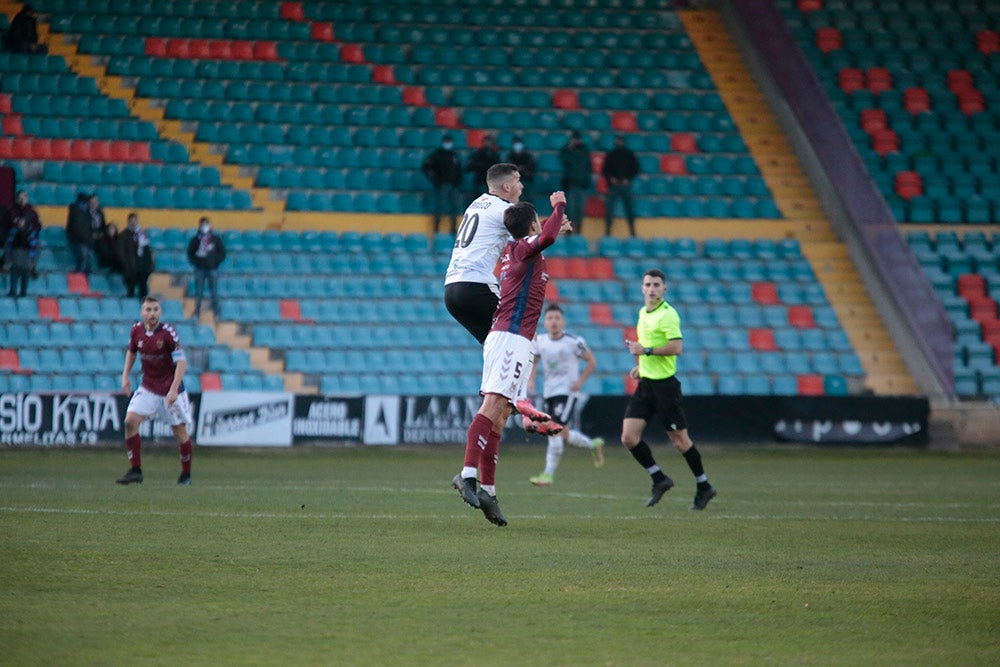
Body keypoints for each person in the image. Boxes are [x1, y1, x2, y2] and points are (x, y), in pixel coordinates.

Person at [452, 193, 572, 526]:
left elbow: (546, 236)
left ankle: (488, 491)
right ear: (532, 225)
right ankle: (466, 474)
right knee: (492, 407)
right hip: (510, 339)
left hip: (510, 338)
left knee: (501, 415)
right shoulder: (522, 248)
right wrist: (559, 205)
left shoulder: (514, 251)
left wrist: (554, 226)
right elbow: (545, 237)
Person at [443, 163, 560, 434]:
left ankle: (503, 402)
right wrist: (556, 222)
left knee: (496, 347)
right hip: (476, 285)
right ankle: (523, 402)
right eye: (518, 181)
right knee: (522, 337)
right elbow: (534, 238)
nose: (522, 186)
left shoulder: (477, 204)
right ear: (506, 186)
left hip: (452, 290)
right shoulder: (503, 210)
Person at [621, 269, 717, 510]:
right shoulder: (643, 312)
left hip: (665, 387)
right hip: (646, 384)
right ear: (642, 288)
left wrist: (646, 352)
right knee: (628, 437)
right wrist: (641, 367)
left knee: (680, 442)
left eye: (656, 285)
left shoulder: (668, 314)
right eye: (648, 284)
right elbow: (647, 346)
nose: (652, 288)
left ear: (664, 289)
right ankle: (659, 479)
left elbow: (676, 347)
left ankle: (704, 485)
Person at [116, 296, 195, 486]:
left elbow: (182, 363)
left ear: (160, 312)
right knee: (130, 422)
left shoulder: (168, 333)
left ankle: (186, 475)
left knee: (179, 432)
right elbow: (132, 351)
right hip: (149, 387)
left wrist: (174, 390)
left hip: (169, 388)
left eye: (156, 310)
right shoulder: (136, 330)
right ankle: (136, 470)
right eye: (148, 310)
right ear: (142, 313)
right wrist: (125, 376)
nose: (152, 314)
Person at [526, 303, 606, 486]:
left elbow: (591, 361)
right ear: (545, 322)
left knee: (553, 429)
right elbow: (535, 360)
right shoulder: (541, 341)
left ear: (563, 321)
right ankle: (593, 445)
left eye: (557, 318)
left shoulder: (574, 342)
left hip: (566, 392)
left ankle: (548, 474)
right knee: (564, 434)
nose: (553, 321)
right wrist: (531, 379)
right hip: (549, 392)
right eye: (550, 318)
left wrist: (580, 382)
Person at [421, 134, 463, 233]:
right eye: (446, 142)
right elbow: (426, 166)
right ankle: (436, 227)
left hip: (454, 185)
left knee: (455, 206)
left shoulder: (454, 155)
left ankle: (453, 227)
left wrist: (458, 180)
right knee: (440, 206)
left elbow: (459, 169)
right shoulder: (437, 155)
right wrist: (435, 179)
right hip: (442, 184)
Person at [186, 216, 226, 319]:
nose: (204, 226)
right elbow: (190, 254)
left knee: (214, 292)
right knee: (198, 292)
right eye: (202, 224)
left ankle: (216, 313)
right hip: (199, 269)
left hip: (213, 269)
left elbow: (222, 253)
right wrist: (197, 262)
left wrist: (215, 262)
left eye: (206, 224)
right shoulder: (195, 240)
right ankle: (197, 312)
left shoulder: (215, 239)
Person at [602, 134, 641, 236]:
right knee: (609, 209)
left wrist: (628, 178)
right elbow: (605, 170)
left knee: (630, 209)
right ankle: (608, 231)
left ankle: (632, 231)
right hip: (613, 186)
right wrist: (611, 179)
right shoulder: (611, 155)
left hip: (626, 185)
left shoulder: (629, 154)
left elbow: (636, 168)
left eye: (620, 141)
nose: (619, 143)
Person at [559, 130, 592, 234]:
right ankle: (569, 231)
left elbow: (588, 167)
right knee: (570, 210)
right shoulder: (566, 150)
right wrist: (569, 148)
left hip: (581, 185)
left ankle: (578, 231)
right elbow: (562, 159)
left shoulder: (585, 150)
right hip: (570, 185)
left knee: (580, 210)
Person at [116, 212, 154, 299]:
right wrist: (126, 265)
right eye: (131, 221)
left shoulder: (142, 235)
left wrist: (149, 265)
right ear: (128, 222)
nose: (133, 223)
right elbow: (121, 252)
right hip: (131, 267)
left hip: (143, 266)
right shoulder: (124, 235)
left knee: (143, 289)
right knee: (131, 290)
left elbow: (147, 251)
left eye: (135, 221)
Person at [3, 190, 41, 273]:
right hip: (15, 236)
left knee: (35, 242)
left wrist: (31, 231)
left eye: (24, 197)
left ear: (27, 198)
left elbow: (37, 226)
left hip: (28, 236)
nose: (22, 200)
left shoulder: (32, 212)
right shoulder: (11, 211)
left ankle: (32, 266)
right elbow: (6, 225)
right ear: (17, 199)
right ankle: (7, 264)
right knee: (9, 242)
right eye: (20, 198)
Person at [4, 214, 38, 297]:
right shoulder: (13, 232)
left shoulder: (32, 234)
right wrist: (8, 259)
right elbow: (8, 247)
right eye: (20, 222)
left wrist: (32, 263)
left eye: (22, 222)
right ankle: (12, 292)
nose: (20, 223)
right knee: (13, 279)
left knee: (25, 281)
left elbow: (35, 250)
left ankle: (23, 293)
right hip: (15, 261)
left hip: (27, 263)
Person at [464, 133, 500, 201]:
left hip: (491, 181)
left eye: (489, 141)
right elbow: (470, 166)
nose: (487, 143)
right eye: (486, 141)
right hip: (480, 180)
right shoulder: (478, 153)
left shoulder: (495, 154)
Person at [66, 192, 94, 273]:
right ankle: (80, 278)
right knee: (82, 261)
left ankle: (85, 277)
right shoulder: (76, 212)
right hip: (78, 240)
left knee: (85, 261)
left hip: (84, 240)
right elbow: (77, 229)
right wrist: (87, 238)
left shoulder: (85, 212)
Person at [506, 135, 537, 204]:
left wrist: (524, 169)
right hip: (514, 182)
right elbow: (508, 168)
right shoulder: (510, 156)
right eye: (515, 144)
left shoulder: (527, 156)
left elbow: (532, 167)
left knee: (528, 199)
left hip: (526, 180)